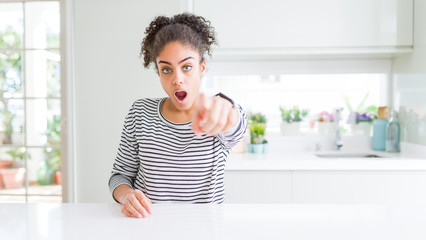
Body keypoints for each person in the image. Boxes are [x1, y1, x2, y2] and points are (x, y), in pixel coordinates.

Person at [108, 13, 247, 218]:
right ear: (158, 73)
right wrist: (127, 195)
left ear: (202, 67)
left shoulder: (216, 112)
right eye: (166, 70)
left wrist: (228, 112)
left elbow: (235, 124)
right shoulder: (140, 113)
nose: (177, 79)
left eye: (187, 67)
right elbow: (119, 176)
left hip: (205, 229)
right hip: (147, 228)